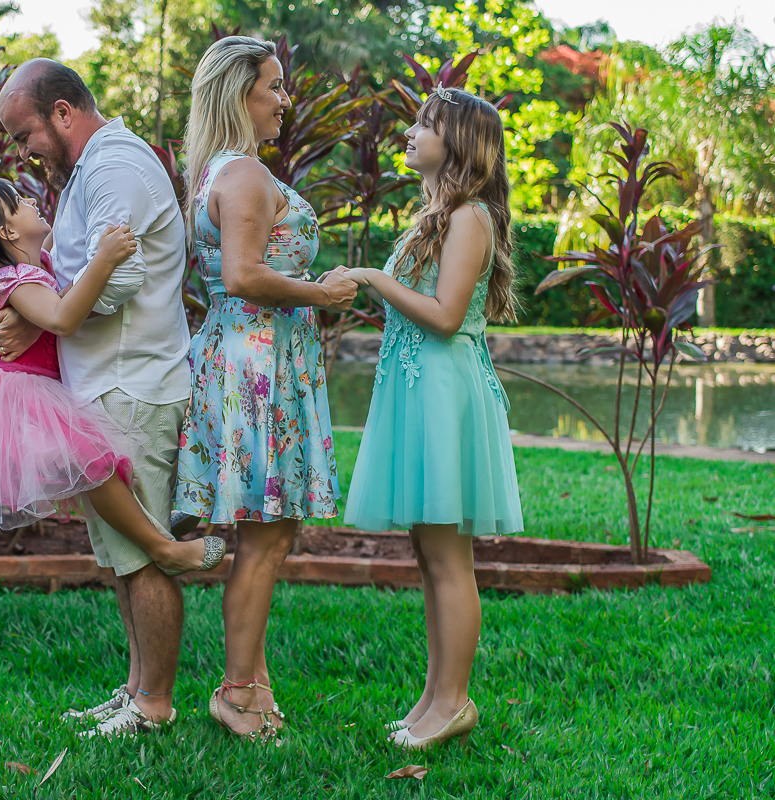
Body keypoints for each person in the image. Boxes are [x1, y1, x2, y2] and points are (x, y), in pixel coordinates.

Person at [0, 60, 197, 737]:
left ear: (62, 113)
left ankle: (154, 703)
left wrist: (48, 319)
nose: (25, 152)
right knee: (120, 555)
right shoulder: (89, 171)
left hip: (132, 384)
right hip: (104, 385)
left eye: (25, 135)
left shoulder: (114, 166)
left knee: (143, 550)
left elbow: (120, 276)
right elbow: (82, 271)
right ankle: (136, 687)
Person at [0, 178, 223, 579]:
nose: (32, 200)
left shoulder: (36, 264)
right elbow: (62, 318)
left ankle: (163, 517)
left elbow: (62, 223)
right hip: (20, 400)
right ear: (9, 232)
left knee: (102, 463)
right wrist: (104, 260)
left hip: (35, 390)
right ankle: (161, 547)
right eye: (19, 202)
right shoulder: (12, 280)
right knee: (95, 462)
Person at [173, 36, 357, 741]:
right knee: (267, 538)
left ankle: (252, 680)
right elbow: (244, 275)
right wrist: (322, 292)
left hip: (248, 356)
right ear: (237, 95)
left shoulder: (219, 171)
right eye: (273, 87)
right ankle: (237, 693)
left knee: (265, 533)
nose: (284, 99)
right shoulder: (244, 174)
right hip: (258, 363)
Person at [337, 86, 524, 751]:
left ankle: (454, 701)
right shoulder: (440, 216)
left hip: (444, 393)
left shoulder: (470, 216)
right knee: (428, 552)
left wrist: (371, 277)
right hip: (418, 390)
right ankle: (432, 697)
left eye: (426, 123)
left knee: (448, 559)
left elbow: (444, 317)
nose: (411, 132)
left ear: (459, 142)